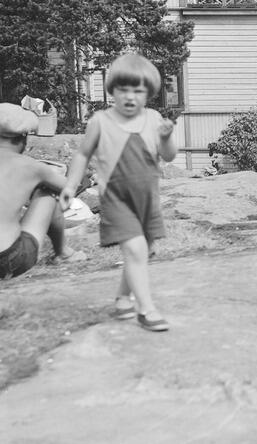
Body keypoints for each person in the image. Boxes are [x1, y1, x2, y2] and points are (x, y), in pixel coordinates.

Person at [60, 53, 176, 331]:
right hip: (116, 199)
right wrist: (69, 186)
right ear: (112, 90)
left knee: (143, 250)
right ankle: (145, 310)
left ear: (149, 93)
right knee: (135, 249)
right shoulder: (100, 121)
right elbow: (82, 155)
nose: (130, 96)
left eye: (138, 90)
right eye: (123, 89)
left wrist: (166, 136)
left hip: (147, 199)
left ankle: (123, 298)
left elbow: (169, 156)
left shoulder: (153, 118)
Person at [0, 104, 85, 280]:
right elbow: (68, 188)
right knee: (47, 193)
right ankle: (63, 252)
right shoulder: (32, 167)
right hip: (9, 259)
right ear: (22, 138)